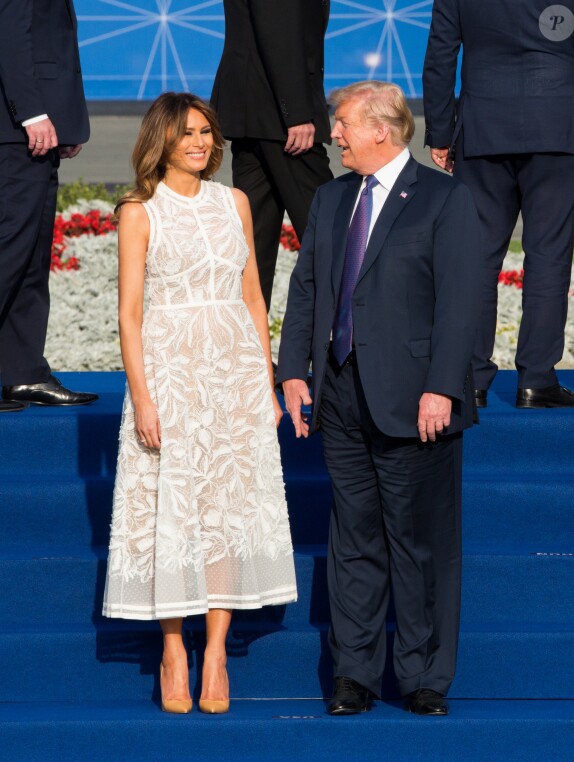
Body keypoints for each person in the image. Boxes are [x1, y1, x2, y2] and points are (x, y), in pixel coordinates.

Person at [277, 81, 482, 716]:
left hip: (419, 401)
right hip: (340, 398)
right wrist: (293, 371)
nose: (333, 135)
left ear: (379, 131)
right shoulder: (331, 197)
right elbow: (308, 287)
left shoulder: (445, 198)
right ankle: (355, 676)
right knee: (353, 541)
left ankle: (423, 678)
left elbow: (464, 303)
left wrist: (443, 386)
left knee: (419, 543)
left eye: (341, 124)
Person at [102, 92, 297, 715]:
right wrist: (142, 397)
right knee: (173, 507)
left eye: (208, 132)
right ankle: (173, 649)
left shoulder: (234, 202)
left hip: (233, 374)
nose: (200, 143)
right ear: (161, 138)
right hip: (170, 373)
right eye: (187, 133)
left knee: (225, 509)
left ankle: (214, 650)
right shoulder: (140, 211)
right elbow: (129, 315)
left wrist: (264, 383)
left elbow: (254, 300)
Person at [423, 0, 574, 409]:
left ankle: (469, 379)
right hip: (558, 128)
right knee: (548, 257)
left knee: (475, 258)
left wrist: (440, 131)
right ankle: (537, 382)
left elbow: (441, 54)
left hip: (483, 128)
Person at [0, 0, 98, 411]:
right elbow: (10, 33)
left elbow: (50, 41)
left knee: (31, 256)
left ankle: (23, 374)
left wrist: (61, 117)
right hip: (16, 129)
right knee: (10, 251)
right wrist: (34, 114)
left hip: (36, 130)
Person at [211, 0, 334, 311]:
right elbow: (278, 27)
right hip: (280, 118)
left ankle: (248, 353)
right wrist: (296, 113)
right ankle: (351, 349)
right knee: (331, 232)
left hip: (258, 113)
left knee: (254, 245)